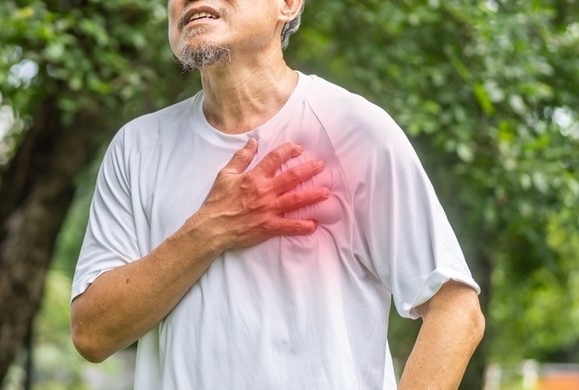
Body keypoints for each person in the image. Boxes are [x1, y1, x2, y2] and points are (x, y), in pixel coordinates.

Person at [70, 0, 485, 388]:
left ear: (288, 3)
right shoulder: (137, 147)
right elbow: (92, 333)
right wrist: (211, 227)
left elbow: (455, 310)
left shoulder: (353, 131)